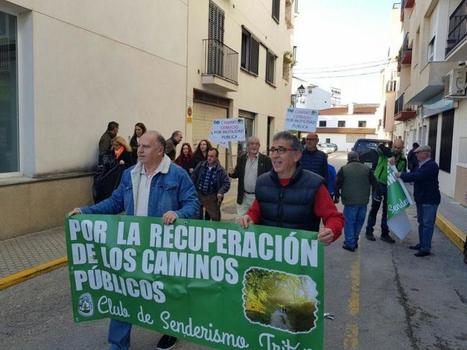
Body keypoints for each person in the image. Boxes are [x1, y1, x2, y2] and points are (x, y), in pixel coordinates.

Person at [69, 130, 199, 350]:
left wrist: (178, 214)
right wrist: (85, 212)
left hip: (162, 249)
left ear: (160, 150)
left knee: (165, 293)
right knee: (124, 292)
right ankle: (117, 345)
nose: (139, 149)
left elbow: (193, 204)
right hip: (132, 248)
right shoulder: (130, 174)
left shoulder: (177, 175)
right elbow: (115, 202)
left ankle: (170, 330)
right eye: (139, 145)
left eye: (146, 146)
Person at [239, 131, 343, 245]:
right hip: (268, 252)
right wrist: (249, 217)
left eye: (281, 150)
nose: (274, 155)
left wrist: (331, 230)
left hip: (300, 255)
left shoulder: (314, 185)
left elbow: (334, 217)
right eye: (273, 150)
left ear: (297, 155)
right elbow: (256, 210)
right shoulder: (262, 181)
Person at [395, 145, 440, 257]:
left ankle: (426, 248)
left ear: (425, 153)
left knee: (427, 224)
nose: (416, 155)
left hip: (429, 200)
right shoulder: (421, 165)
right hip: (421, 199)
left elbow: (417, 176)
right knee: (421, 223)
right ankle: (422, 244)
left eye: (418, 153)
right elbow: (413, 173)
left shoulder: (431, 166)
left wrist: (402, 175)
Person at [365, 138, 407, 243]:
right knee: (374, 208)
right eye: (395, 147)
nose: (396, 149)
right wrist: (390, 154)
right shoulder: (385, 153)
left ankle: (385, 233)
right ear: (392, 146)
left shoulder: (403, 159)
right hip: (379, 183)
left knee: (387, 211)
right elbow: (379, 148)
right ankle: (369, 231)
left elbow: (403, 173)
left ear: (402, 148)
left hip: (391, 186)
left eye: (399, 148)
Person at [335, 151, 377, 251]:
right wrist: (375, 194)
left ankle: (350, 243)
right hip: (363, 201)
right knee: (359, 222)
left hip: (349, 201)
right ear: (358, 158)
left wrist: (336, 196)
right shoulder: (367, 169)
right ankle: (354, 240)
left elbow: (337, 184)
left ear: (348, 159)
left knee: (349, 222)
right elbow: (375, 183)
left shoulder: (344, 169)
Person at [228, 136, 272, 216]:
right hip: (243, 197)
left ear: (259, 146)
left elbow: (270, 179)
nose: (254, 146)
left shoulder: (266, 160)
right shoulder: (241, 159)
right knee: (241, 222)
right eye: (252, 144)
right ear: (248, 146)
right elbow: (236, 174)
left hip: (258, 197)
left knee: (256, 222)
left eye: (257, 144)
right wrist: (231, 173)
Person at [192, 148, 230, 221]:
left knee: (215, 218)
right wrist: (193, 189)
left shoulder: (220, 170)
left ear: (216, 157)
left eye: (212, 156)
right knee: (196, 216)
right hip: (199, 194)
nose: (209, 158)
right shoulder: (201, 165)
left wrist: (220, 192)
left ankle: (213, 230)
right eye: (208, 156)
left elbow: (226, 183)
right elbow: (194, 175)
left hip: (212, 196)